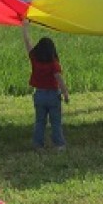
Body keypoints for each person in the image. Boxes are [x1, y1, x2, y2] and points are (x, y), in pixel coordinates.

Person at [22, 19, 69, 150]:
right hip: (53, 95)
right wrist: (65, 94)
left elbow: (28, 42)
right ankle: (59, 144)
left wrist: (25, 27)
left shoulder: (35, 59)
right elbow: (59, 79)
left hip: (39, 94)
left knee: (40, 122)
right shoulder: (54, 64)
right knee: (55, 122)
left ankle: (38, 144)